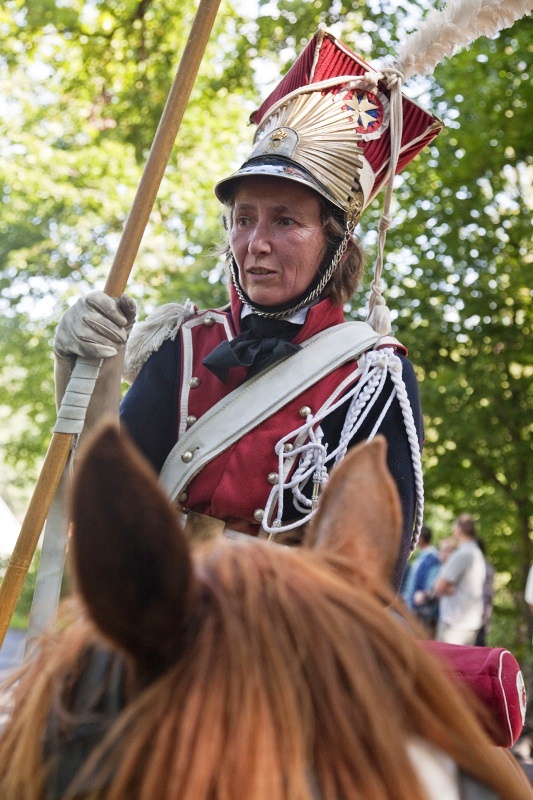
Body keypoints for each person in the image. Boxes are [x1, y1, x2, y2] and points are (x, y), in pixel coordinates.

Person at [53, 31, 443, 589]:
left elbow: (373, 571)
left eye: (285, 221)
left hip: (284, 624)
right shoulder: (183, 344)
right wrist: (88, 369)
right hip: (158, 607)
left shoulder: (374, 374)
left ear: (336, 243)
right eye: (243, 219)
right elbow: (106, 503)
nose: (256, 243)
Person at [432, 514, 486, 645]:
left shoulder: (463, 553)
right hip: (468, 623)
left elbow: (438, 586)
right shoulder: (476, 552)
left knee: (445, 658)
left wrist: (445, 587)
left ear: (459, 530)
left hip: (455, 625)